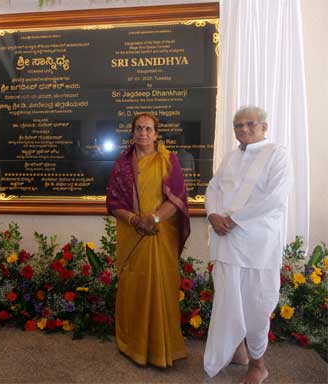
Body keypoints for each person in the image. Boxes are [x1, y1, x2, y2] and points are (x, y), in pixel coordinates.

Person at [203, 106, 291, 384]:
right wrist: (212, 215)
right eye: (238, 126)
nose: (243, 130)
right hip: (227, 242)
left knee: (256, 303)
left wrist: (234, 220)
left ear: (264, 127)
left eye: (250, 124)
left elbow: (275, 199)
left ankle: (258, 365)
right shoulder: (230, 157)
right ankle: (238, 350)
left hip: (257, 246)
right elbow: (213, 188)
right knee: (229, 300)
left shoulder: (277, 154)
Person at [106, 112, 190, 368]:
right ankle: (134, 345)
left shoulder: (168, 160)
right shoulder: (122, 164)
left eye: (148, 129)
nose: (143, 133)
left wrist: (151, 220)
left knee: (162, 286)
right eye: (139, 129)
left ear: (156, 134)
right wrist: (135, 221)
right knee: (134, 287)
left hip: (160, 233)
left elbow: (176, 200)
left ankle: (162, 347)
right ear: (132, 133)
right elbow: (113, 203)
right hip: (133, 235)